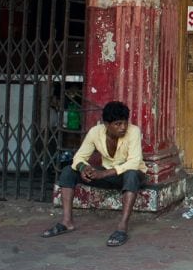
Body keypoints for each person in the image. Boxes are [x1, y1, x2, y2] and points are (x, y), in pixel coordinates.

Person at [41, 101, 146, 247]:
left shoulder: (133, 131)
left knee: (132, 174)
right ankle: (67, 221)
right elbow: (79, 157)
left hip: (131, 176)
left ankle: (122, 227)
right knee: (68, 171)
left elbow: (134, 162)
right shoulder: (95, 132)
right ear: (107, 124)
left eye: (124, 123)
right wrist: (84, 168)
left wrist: (102, 174)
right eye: (117, 124)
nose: (123, 127)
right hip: (109, 174)